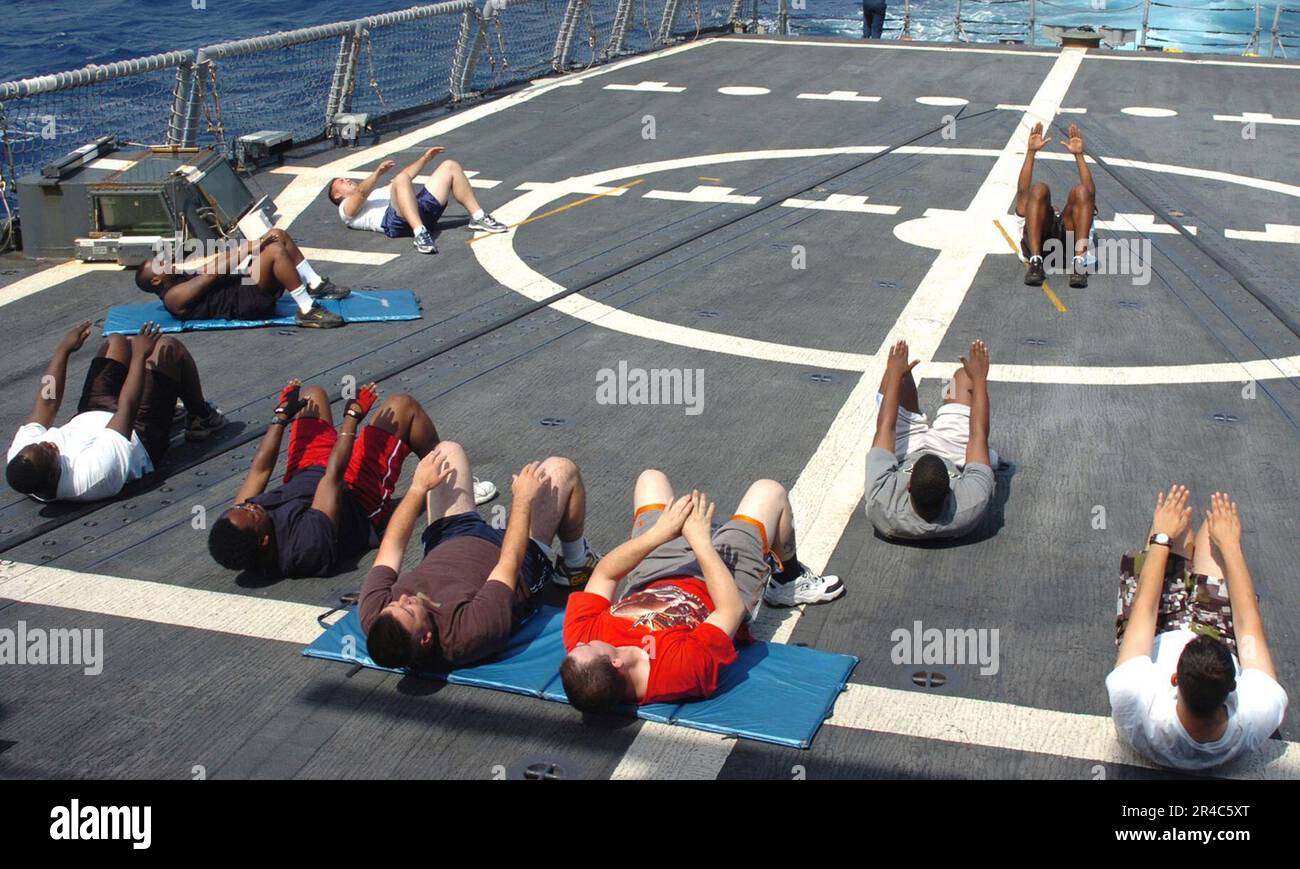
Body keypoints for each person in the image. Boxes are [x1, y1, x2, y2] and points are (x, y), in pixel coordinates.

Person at [559, 472, 843, 712]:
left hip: (655, 574)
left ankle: (688, 532)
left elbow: (605, 573)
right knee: (769, 491)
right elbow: (728, 610)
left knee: (650, 479)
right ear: (616, 662)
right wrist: (700, 543)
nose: (578, 645)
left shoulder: (581, 641)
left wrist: (658, 535)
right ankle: (788, 580)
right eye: (586, 648)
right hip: (722, 586)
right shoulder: (678, 671)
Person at [207, 381, 494, 579]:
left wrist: (281, 417)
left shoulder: (240, 523)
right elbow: (333, 479)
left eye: (243, 507)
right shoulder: (304, 546)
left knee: (312, 396)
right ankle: (451, 485)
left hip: (309, 476)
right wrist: (352, 419)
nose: (250, 506)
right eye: (250, 513)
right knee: (403, 406)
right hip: (354, 495)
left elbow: (260, 470)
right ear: (265, 541)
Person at [359, 446, 600, 669]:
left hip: (450, 539)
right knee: (560, 469)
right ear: (425, 639)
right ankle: (576, 562)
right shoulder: (468, 633)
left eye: (394, 604)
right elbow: (509, 563)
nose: (402, 599)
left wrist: (418, 487)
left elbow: (392, 547)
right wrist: (523, 500)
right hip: (517, 558)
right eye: (409, 610)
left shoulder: (376, 617)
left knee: (445, 452)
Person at [1107, 487, 1287, 770]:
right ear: (1232, 687)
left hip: (1159, 631)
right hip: (1218, 637)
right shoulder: (1258, 713)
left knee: (1177, 533)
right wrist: (1230, 546)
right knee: (1210, 538)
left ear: (1175, 679)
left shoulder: (1134, 702)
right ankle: (1202, 544)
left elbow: (1144, 613)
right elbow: (1247, 626)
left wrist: (1161, 538)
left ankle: (1174, 539)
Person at [6, 321, 224, 502]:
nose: (45, 443)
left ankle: (166, 404)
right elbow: (127, 409)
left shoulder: (24, 457)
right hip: (138, 431)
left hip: (92, 413)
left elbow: (47, 402)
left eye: (37, 443)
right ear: (54, 475)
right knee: (166, 347)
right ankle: (201, 417)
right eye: (48, 450)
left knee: (116, 342)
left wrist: (63, 350)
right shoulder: (91, 477)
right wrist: (139, 355)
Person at [866, 338, 996, 541]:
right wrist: (979, 379)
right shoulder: (970, 502)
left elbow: (885, 427)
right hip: (951, 455)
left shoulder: (882, 502)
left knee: (900, 378)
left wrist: (894, 373)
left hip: (904, 455)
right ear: (951, 490)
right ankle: (947, 396)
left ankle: (936, 396)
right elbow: (977, 434)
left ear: (908, 486)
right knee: (963, 377)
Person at [135, 228, 346, 328]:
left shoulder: (180, 277)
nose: (165, 261)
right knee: (274, 250)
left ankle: (314, 283)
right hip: (245, 302)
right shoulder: (173, 297)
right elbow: (210, 275)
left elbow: (214, 264)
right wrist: (256, 246)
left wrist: (252, 244)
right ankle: (307, 309)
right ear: (156, 281)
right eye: (160, 265)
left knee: (277, 234)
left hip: (245, 286)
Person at [329, 146, 508, 254]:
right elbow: (360, 194)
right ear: (337, 195)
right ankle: (420, 234)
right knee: (401, 179)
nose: (347, 180)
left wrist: (425, 159)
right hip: (395, 223)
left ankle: (478, 216)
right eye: (341, 182)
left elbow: (405, 177)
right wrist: (377, 174)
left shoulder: (377, 193)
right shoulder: (345, 209)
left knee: (450, 166)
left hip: (417, 211)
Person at [1015, 122, 1096, 289]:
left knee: (1081, 191)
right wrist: (1031, 152)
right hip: (1040, 244)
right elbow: (1023, 192)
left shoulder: (1073, 218)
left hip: (1069, 245)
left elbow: (1089, 195)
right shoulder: (1034, 214)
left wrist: (1079, 155)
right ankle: (1035, 262)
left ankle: (1078, 263)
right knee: (1038, 189)